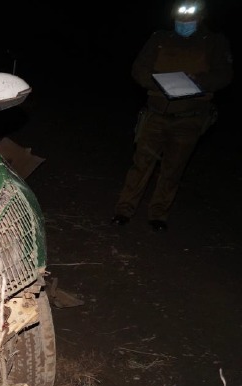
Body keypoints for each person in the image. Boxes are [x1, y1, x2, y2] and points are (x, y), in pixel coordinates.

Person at [112, 1, 232, 232]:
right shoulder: (160, 38)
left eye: (189, 20)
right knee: (141, 164)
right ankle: (123, 210)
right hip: (156, 112)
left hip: (190, 116)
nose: (184, 23)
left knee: (173, 167)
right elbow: (139, 69)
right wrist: (160, 81)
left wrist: (195, 81)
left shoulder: (214, 42)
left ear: (200, 18)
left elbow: (224, 75)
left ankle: (158, 214)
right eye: (180, 19)